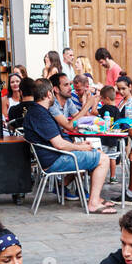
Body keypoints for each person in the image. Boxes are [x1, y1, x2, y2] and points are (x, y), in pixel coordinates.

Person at [22, 77, 117, 213]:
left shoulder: (37, 111)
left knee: (96, 154)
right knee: (103, 159)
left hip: (53, 157)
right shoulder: (40, 114)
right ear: (49, 94)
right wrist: (81, 147)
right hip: (54, 160)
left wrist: (81, 145)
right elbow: (59, 144)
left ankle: (94, 198)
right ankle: (94, 203)